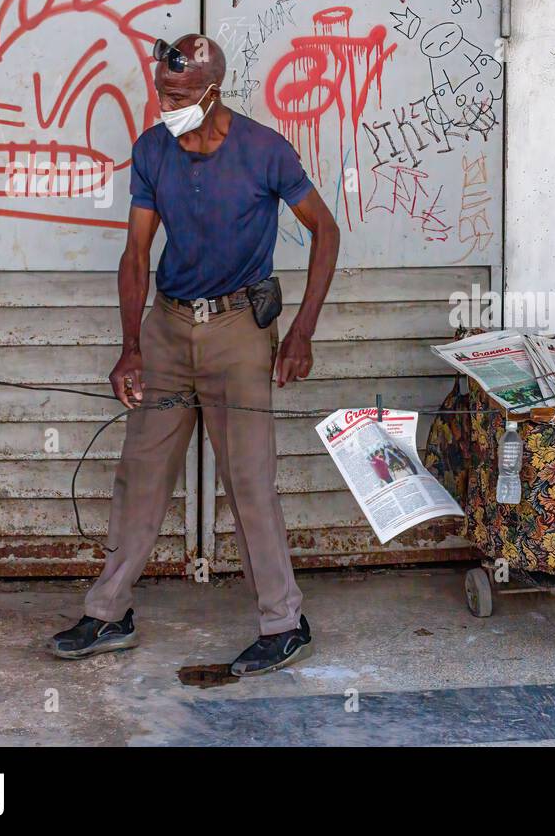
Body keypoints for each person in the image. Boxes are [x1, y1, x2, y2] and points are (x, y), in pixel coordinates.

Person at [50, 34, 340, 676]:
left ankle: (284, 623)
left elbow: (326, 229)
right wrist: (130, 346)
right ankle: (109, 612)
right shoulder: (152, 151)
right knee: (141, 472)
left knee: (249, 480)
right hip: (169, 329)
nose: (167, 102)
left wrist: (301, 332)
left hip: (239, 329)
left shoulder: (263, 148)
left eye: (179, 93)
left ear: (212, 90)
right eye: (162, 91)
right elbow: (136, 254)